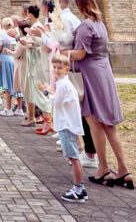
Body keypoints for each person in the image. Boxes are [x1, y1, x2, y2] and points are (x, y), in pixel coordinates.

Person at [68, 0, 132, 188]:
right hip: (103, 72)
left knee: (95, 122)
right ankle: (123, 170)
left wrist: (61, 51)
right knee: (108, 124)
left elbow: (80, 54)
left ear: (80, 6)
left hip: (91, 75)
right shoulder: (100, 24)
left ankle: (103, 168)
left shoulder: (87, 25)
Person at [37, 53, 88, 203]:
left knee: (73, 158)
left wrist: (44, 91)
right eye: (54, 67)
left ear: (67, 69)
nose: (56, 70)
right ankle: (80, 188)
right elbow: (59, 98)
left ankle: (78, 189)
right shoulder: (63, 83)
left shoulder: (63, 84)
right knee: (73, 157)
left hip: (67, 125)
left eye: (60, 68)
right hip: (68, 124)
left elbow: (55, 102)